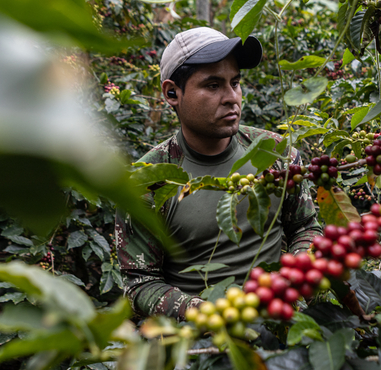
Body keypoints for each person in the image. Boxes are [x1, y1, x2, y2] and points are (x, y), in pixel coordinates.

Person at [114, 27, 323, 320]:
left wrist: (298, 273)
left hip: (284, 322)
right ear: (172, 93)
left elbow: (306, 226)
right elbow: (139, 283)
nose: (231, 98)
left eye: (235, 82)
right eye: (213, 86)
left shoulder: (276, 153)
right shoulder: (147, 183)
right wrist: (209, 313)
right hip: (202, 344)